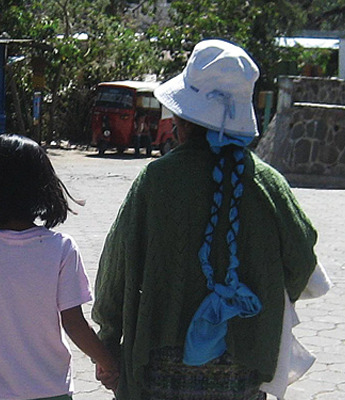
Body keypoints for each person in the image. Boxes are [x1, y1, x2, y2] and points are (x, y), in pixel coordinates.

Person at [93, 39, 329, 400]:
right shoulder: (269, 185)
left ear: (183, 119)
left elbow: (117, 270)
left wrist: (108, 340)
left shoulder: (156, 181)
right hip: (243, 366)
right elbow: (301, 261)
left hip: (159, 368)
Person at [0, 134, 120, 400]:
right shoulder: (61, 248)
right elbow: (74, 323)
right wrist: (108, 362)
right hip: (51, 391)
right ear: (44, 187)